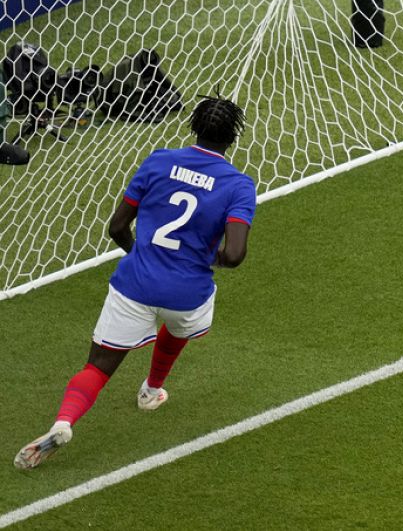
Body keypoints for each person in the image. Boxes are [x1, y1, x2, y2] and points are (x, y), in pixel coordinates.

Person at [14, 97, 257, 470]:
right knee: (178, 325)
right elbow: (236, 254)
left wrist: (139, 254)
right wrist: (211, 259)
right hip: (187, 294)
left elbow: (115, 228)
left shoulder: (158, 160)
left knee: (97, 366)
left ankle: (63, 422)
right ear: (233, 137)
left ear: (193, 127)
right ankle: (151, 390)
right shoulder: (238, 185)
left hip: (136, 284)